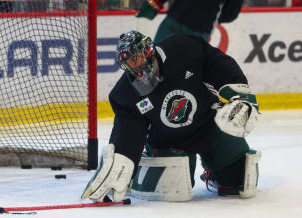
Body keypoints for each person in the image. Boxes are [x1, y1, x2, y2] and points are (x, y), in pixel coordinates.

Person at [81, 31, 261, 202]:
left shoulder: (182, 48)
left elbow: (213, 61)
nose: (134, 66)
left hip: (207, 123)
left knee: (239, 180)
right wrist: (124, 157)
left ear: (148, 50)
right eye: (128, 62)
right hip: (167, 140)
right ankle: (137, 176)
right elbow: (129, 130)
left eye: (135, 58)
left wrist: (239, 91)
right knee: (174, 190)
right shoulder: (125, 94)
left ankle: (214, 172)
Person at [136, 0, 245, 42]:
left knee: (156, 61)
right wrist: (212, 18)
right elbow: (232, 12)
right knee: (188, 71)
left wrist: (156, 2)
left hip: (176, 19)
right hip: (200, 30)